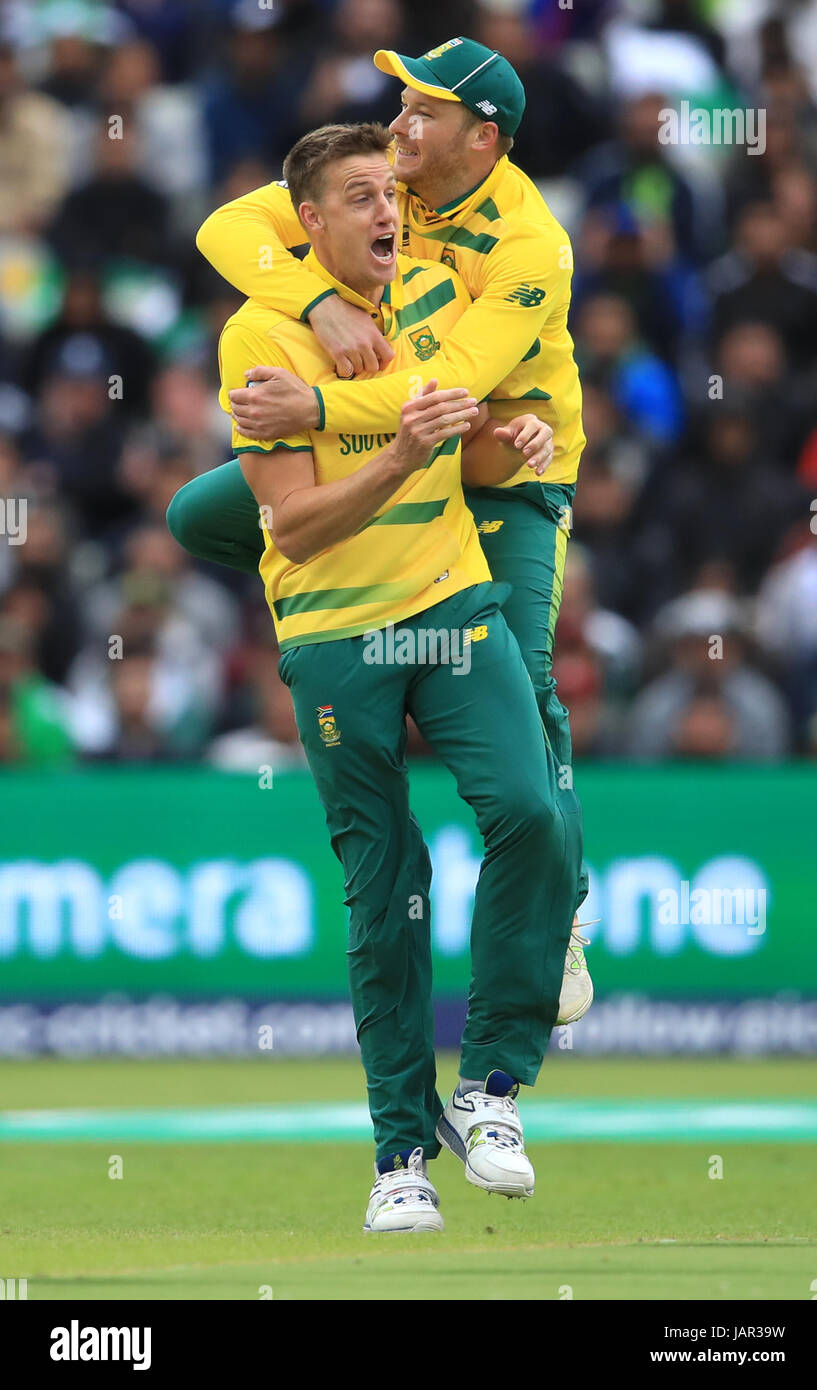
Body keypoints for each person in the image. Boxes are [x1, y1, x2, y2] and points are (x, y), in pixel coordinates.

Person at [177, 122, 582, 1233]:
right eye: (357, 196)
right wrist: (401, 450)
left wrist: (517, 440)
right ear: (306, 223)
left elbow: (477, 448)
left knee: (533, 813)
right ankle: (398, 1156)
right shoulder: (260, 334)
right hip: (332, 631)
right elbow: (296, 528)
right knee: (386, 887)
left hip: (451, 606)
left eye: (386, 193)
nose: (384, 210)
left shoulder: (442, 298)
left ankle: (491, 1090)